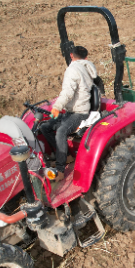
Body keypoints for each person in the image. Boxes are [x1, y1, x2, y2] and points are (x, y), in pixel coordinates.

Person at [40, 46, 98, 182]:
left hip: (79, 112)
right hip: (75, 109)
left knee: (61, 132)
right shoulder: (86, 67)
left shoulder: (73, 70)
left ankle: (60, 170)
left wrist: (57, 107)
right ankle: (65, 156)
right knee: (45, 127)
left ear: (71, 55)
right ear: (86, 57)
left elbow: (68, 92)